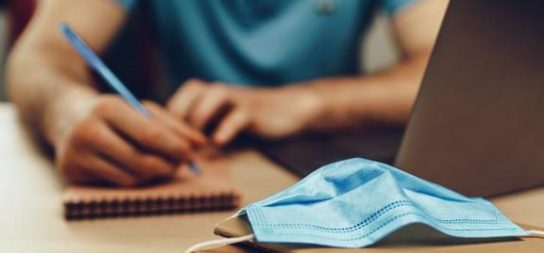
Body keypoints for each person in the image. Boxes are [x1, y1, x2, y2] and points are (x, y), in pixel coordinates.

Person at [6, 0, 447, 187]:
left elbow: (442, 70)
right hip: (188, 170)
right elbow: (39, 56)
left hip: (334, 174)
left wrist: (308, 102)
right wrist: (66, 109)